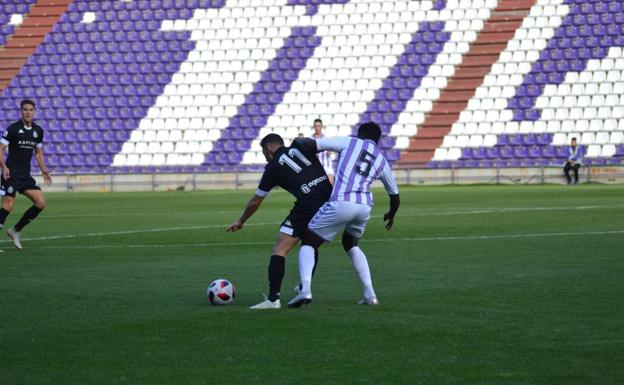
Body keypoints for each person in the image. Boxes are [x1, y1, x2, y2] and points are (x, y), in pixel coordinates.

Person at [288, 121, 400, 308]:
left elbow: (313, 145)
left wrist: (298, 141)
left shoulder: (349, 142)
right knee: (351, 243)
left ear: (360, 134)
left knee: (309, 240)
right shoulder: (381, 159)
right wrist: (391, 213)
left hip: (342, 201)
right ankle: (370, 294)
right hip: (364, 207)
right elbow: (395, 196)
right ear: (377, 140)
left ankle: (305, 289)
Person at [226, 133, 332, 309]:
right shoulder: (301, 146)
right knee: (309, 244)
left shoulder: (273, 166)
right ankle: (304, 288)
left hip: (308, 204)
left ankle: (273, 299)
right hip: (330, 201)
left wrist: (241, 220)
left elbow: (255, 202)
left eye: (263, 152)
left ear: (268, 148)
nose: (264, 157)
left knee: (280, 248)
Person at [0, 99, 52, 250]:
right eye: (25, 110)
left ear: (34, 111)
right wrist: (3, 166)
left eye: (30, 110)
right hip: (10, 173)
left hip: (25, 176)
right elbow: (0, 149)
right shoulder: (14, 129)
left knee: (41, 203)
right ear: (21, 111)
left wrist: (44, 170)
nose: (28, 112)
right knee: (8, 205)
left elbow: (38, 153)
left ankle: (15, 231)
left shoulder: (38, 131)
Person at [311, 119, 335, 184]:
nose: (317, 128)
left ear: (322, 127)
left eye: (319, 126)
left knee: (330, 183)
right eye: (316, 126)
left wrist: (330, 152)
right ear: (313, 127)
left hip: (327, 166)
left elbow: (332, 153)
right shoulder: (310, 139)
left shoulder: (327, 139)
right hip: (316, 167)